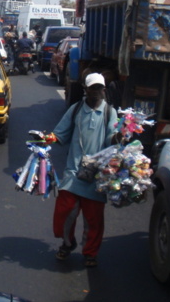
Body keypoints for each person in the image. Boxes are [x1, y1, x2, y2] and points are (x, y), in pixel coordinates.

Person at [48, 72, 120, 268]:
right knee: (64, 212)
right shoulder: (76, 109)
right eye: (93, 88)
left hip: (97, 174)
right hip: (73, 171)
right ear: (85, 90)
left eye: (100, 88)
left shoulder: (109, 112)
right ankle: (67, 243)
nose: (97, 92)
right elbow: (60, 133)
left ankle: (90, 253)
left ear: (104, 90)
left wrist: (119, 137)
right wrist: (44, 140)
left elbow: (111, 138)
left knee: (94, 218)